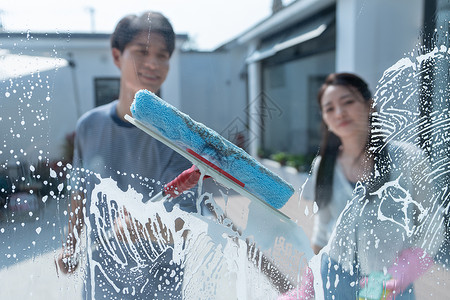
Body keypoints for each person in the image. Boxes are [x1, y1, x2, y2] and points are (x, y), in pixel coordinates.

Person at [56, 11, 197, 299]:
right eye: (142, 52)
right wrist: (70, 243)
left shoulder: (180, 136)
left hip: (160, 287)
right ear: (117, 56)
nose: (153, 64)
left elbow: (190, 226)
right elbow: (80, 192)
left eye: (163, 55)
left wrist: (149, 226)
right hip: (100, 283)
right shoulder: (89, 125)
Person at [282, 73, 443, 299]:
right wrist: (310, 284)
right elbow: (322, 231)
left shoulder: (408, 158)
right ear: (325, 119)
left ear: (369, 105)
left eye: (348, 102)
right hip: (334, 280)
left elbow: (432, 226)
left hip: (389, 286)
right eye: (330, 108)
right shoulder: (323, 165)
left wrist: (404, 270)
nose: (339, 113)